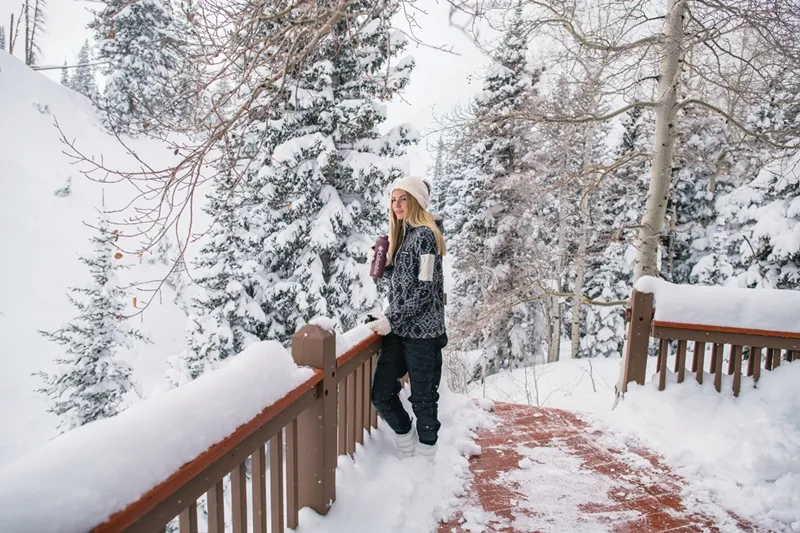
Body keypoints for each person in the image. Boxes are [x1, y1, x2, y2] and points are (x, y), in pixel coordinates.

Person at [365, 176, 447, 460]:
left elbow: (425, 291)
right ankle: (405, 438)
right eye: (394, 199)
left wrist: (392, 319)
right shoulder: (406, 236)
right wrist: (387, 265)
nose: (397, 205)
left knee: (423, 399)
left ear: (417, 202)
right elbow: (407, 283)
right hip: (400, 330)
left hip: (422, 336)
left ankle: (426, 455)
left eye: (403, 199)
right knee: (381, 393)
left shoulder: (425, 237)